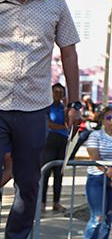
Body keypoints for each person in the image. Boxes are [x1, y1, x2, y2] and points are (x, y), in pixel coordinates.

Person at [0, 0, 82, 239]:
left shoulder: (55, 4)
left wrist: (75, 102)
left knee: (28, 185)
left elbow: (69, 54)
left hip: (34, 109)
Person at [84, 107, 112, 239]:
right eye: (109, 118)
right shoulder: (95, 135)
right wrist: (110, 173)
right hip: (97, 179)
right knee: (98, 217)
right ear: (103, 120)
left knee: (109, 217)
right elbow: (95, 157)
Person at [41, 83, 70, 212]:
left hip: (62, 141)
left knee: (59, 173)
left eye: (61, 92)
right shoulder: (47, 107)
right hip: (50, 140)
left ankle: (56, 202)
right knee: (46, 172)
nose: (58, 95)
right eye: (56, 92)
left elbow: (69, 122)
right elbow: (49, 124)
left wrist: (67, 107)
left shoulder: (63, 108)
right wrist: (64, 127)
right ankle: (42, 202)